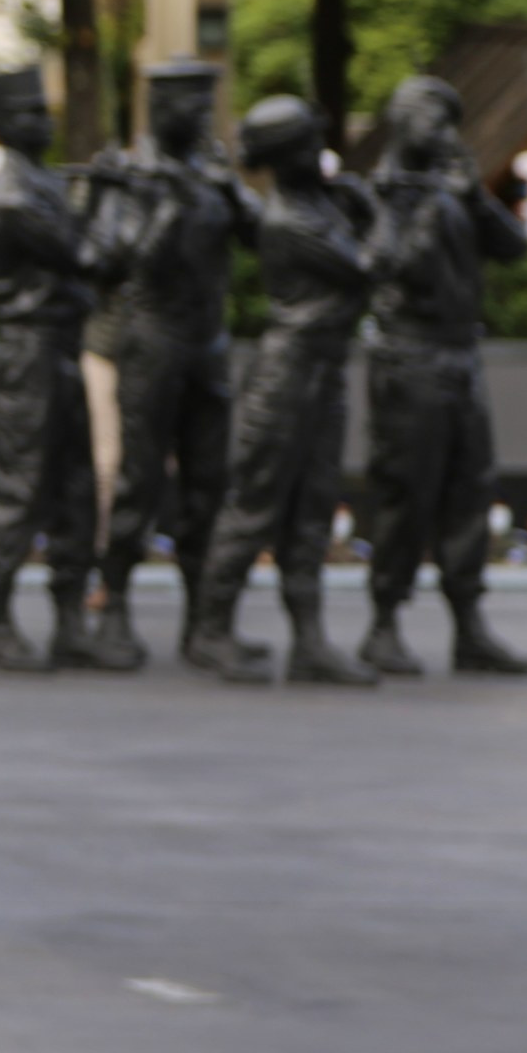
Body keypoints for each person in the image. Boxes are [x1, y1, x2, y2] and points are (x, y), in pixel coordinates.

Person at [186, 97, 379, 686]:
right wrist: (375, 213)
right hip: (286, 375)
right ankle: (211, 631)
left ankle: (310, 641)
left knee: (314, 508)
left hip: (322, 371)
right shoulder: (287, 219)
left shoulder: (319, 206)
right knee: (255, 506)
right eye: (308, 144)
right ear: (288, 157)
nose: (320, 154)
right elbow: (371, 268)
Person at [359, 75, 527, 676]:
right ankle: (383, 623)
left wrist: (478, 200)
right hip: (409, 357)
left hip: (461, 355)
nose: (443, 131)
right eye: (429, 118)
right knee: (406, 491)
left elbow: (516, 249)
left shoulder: (454, 185)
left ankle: (469, 626)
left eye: (447, 119)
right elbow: (391, 266)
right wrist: (435, 212)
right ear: (401, 121)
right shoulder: (381, 193)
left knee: (470, 487)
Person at [86, 58, 260, 668]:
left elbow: (261, 236)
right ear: (161, 109)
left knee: (209, 485)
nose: (203, 118)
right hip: (151, 339)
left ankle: (206, 624)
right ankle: (115, 613)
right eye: (193, 106)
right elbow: (109, 259)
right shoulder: (128, 176)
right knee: (139, 481)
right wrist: (168, 205)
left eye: (208, 105)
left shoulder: (211, 172)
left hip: (207, 344)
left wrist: (228, 187)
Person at [0, 68, 119, 673]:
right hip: (30, 350)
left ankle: (69, 622)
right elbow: (86, 255)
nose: (46, 121)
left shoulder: (43, 182)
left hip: (62, 345)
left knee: (76, 488)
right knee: (22, 486)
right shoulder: (13, 195)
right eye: (31, 113)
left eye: (44, 109)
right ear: (5, 125)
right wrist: (108, 195)